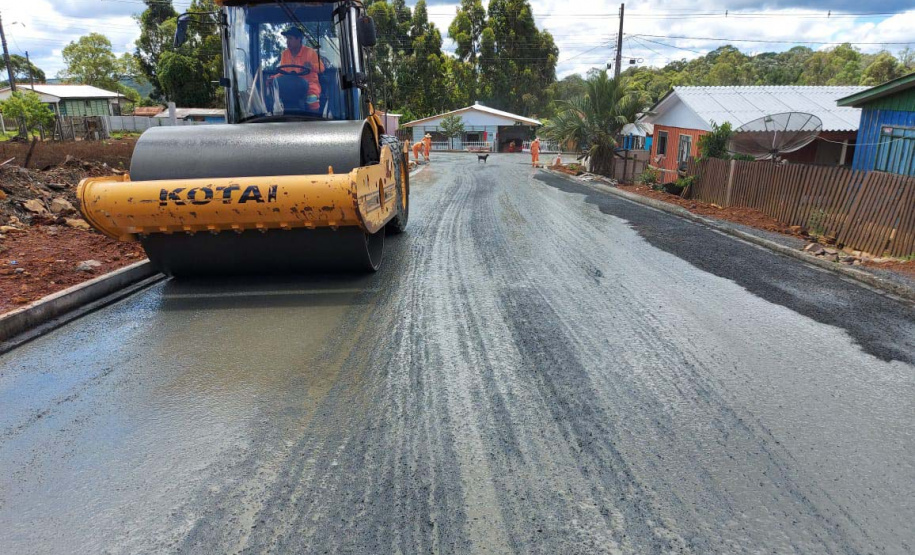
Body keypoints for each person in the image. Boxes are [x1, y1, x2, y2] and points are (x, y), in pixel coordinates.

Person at [274, 26, 325, 111]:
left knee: (312, 99)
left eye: (290, 39)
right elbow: (282, 72)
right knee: (276, 98)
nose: (287, 42)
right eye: (287, 39)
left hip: (309, 85)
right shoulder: (285, 54)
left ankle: (314, 120)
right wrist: (272, 78)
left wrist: (311, 66)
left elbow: (322, 68)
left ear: (299, 39)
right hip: (291, 85)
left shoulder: (310, 52)